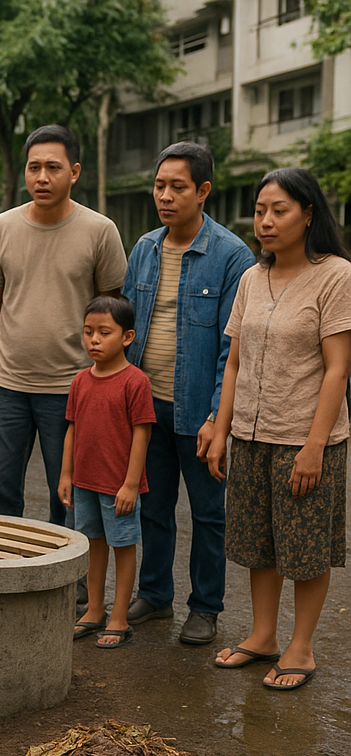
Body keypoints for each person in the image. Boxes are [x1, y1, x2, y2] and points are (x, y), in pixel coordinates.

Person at [207, 168, 351, 690]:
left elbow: (338, 368)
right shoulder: (251, 277)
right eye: (260, 210)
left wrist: (314, 447)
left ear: (308, 214)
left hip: (304, 439)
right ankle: (263, 636)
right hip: (250, 434)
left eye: (279, 210)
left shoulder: (336, 275)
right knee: (258, 543)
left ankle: (302, 647)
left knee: (306, 550)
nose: (265, 221)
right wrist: (221, 430)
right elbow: (233, 364)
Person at [122, 142, 255, 646]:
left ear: (202, 191)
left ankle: (205, 608)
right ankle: (155, 597)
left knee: (207, 513)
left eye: (177, 187)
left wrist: (218, 421)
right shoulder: (145, 248)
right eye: (159, 186)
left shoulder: (231, 255)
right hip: (145, 406)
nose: (165, 196)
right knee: (152, 508)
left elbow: (232, 348)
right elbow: (130, 329)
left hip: (198, 410)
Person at [0, 124, 128, 528]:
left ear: (74, 172)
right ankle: (3, 575)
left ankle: (67, 582)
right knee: (2, 491)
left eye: (53, 167)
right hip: (7, 386)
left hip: (73, 387)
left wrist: (109, 384)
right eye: (33, 167)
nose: (42, 177)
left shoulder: (100, 231)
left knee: (71, 494)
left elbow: (113, 310)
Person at [59, 296, 155, 648]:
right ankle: (94, 609)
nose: (94, 340)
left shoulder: (135, 382)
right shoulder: (80, 381)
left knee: (123, 546)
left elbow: (142, 434)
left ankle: (118, 617)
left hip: (119, 486)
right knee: (93, 545)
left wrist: (131, 484)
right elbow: (72, 429)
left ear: (127, 337)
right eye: (88, 332)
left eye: (104, 332)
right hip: (84, 483)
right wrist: (66, 475)